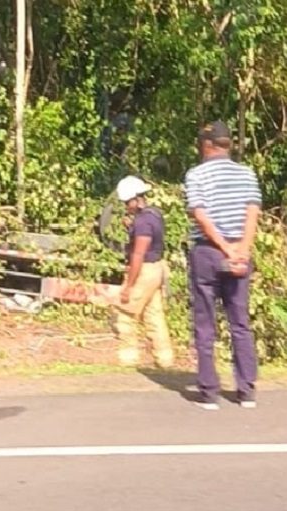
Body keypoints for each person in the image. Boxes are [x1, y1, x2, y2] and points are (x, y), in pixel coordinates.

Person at [183, 121, 262, 410]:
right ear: (227, 144)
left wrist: (224, 247)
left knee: (205, 323)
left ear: (206, 145)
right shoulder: (247, 173)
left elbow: (199, 213)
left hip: (208, 252)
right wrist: (242, 249)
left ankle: (210, 392)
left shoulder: (197, 174)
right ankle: (246, 391)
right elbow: (253, 212)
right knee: (239, 322)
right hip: (239, 250)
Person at [111, 176, 174, 368]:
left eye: (127, 203)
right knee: (154, 314)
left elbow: (138, 254)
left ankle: (128, 357)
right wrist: (132, 227)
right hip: (157, 268)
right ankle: (164, 359)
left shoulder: (142, 223)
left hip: (144, 270)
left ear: (136, 200)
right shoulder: (154, 214)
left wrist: (129, 286)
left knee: (124, 312)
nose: (126, 207)